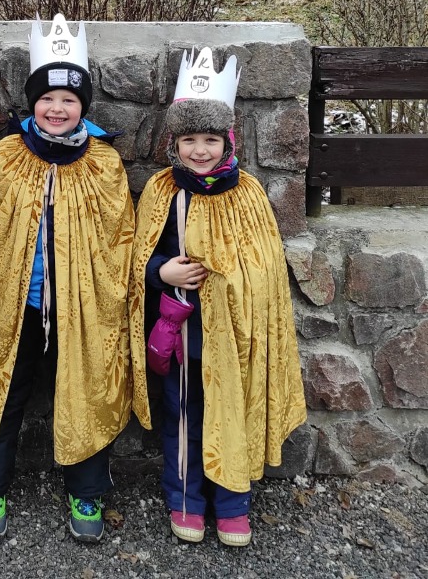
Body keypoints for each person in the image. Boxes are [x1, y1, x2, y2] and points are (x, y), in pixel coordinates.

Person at [0, 14, 141, 544]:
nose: (57, 108)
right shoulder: (7, 154)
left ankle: (87, 491)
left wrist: (103, 298)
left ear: (83, 106)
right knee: (2, 387)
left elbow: (119, 237)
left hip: (80, 305)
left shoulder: (103, 162)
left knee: (85, 387)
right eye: (46, 98)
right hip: (16, 302)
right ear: (32, 102)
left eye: (68, 99)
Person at [130, 47, 306, 547]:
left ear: (229, 141)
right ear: (174, 143)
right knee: (183, 417)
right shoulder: (162, 192)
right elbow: (136, 259)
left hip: (236, 338)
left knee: (234, 410)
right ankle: (185, 500)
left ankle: (231, 503)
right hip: (184, 336)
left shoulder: (247, 193)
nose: (200, 150)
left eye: (210, 139)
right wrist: (161, 271)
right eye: (189, 139)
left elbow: (265, 270)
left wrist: (234, 284)